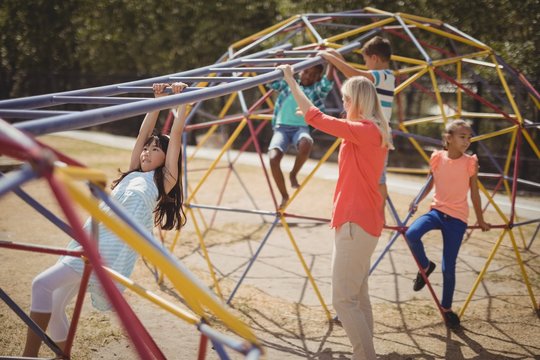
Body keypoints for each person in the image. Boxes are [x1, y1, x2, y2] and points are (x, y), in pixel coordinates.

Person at [22, 82, 189, 357]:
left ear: (166, 158)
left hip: (104, 251)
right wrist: (156, 101)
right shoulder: (134, 171)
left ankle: (28, 357)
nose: (147, 152)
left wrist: (182, 102)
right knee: (53, 300)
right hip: (90, 237)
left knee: (41, 284)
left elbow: (178, 134)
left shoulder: (162, 182)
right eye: (146, 148)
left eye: (155, 149)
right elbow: (142, 134)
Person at [278, 64, 393, 360]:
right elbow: (319, 118)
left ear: (356, 101)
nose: (343, 105)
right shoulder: (371, 130)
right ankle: (367, 354)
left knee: (342, 300)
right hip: (360, 221)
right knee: (358, 296)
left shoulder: (365, 131)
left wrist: (292, 81)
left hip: (356, 222)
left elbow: (316, 117)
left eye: (345, 99)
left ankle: (364, 356)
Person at [405, 119, 491, 329]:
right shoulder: (437, 157)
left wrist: (479, 219)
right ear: (448, 139)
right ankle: (425, 265)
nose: (467, 141)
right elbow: (429, 183)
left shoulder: (470, 162)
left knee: (448, 267)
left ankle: (446, 308)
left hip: (457, 219)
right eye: (463, 137)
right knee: (411, 234)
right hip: (437, 212)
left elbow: (475, 192)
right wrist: (416, 200)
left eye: (469, 137)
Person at [319, 36, 394, 212]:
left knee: (379, 179)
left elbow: (355, 76)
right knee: (372, 176)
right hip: (369, 132)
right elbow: (354, 76)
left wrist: (332, 59)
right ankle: (373, 208)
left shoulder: (385, 76)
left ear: (374, 58)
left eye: (366, 60)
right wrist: (337, 57)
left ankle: (378, 212)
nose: (366, 64)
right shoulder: (381, 77)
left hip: (376, 133)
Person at [267, 62, 334, 209]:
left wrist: (331, 62)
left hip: (300, 128)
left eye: (313, 75)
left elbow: (327, 84)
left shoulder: (315, 90)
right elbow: (272, 81)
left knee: (306, 143)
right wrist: (278, 61)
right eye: (306, 72)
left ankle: (293, 173)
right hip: (281, 128)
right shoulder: (288, 84)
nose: (308, 77)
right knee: (273, 158)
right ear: (299, 72)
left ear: (318, 78)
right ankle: (284, 195)